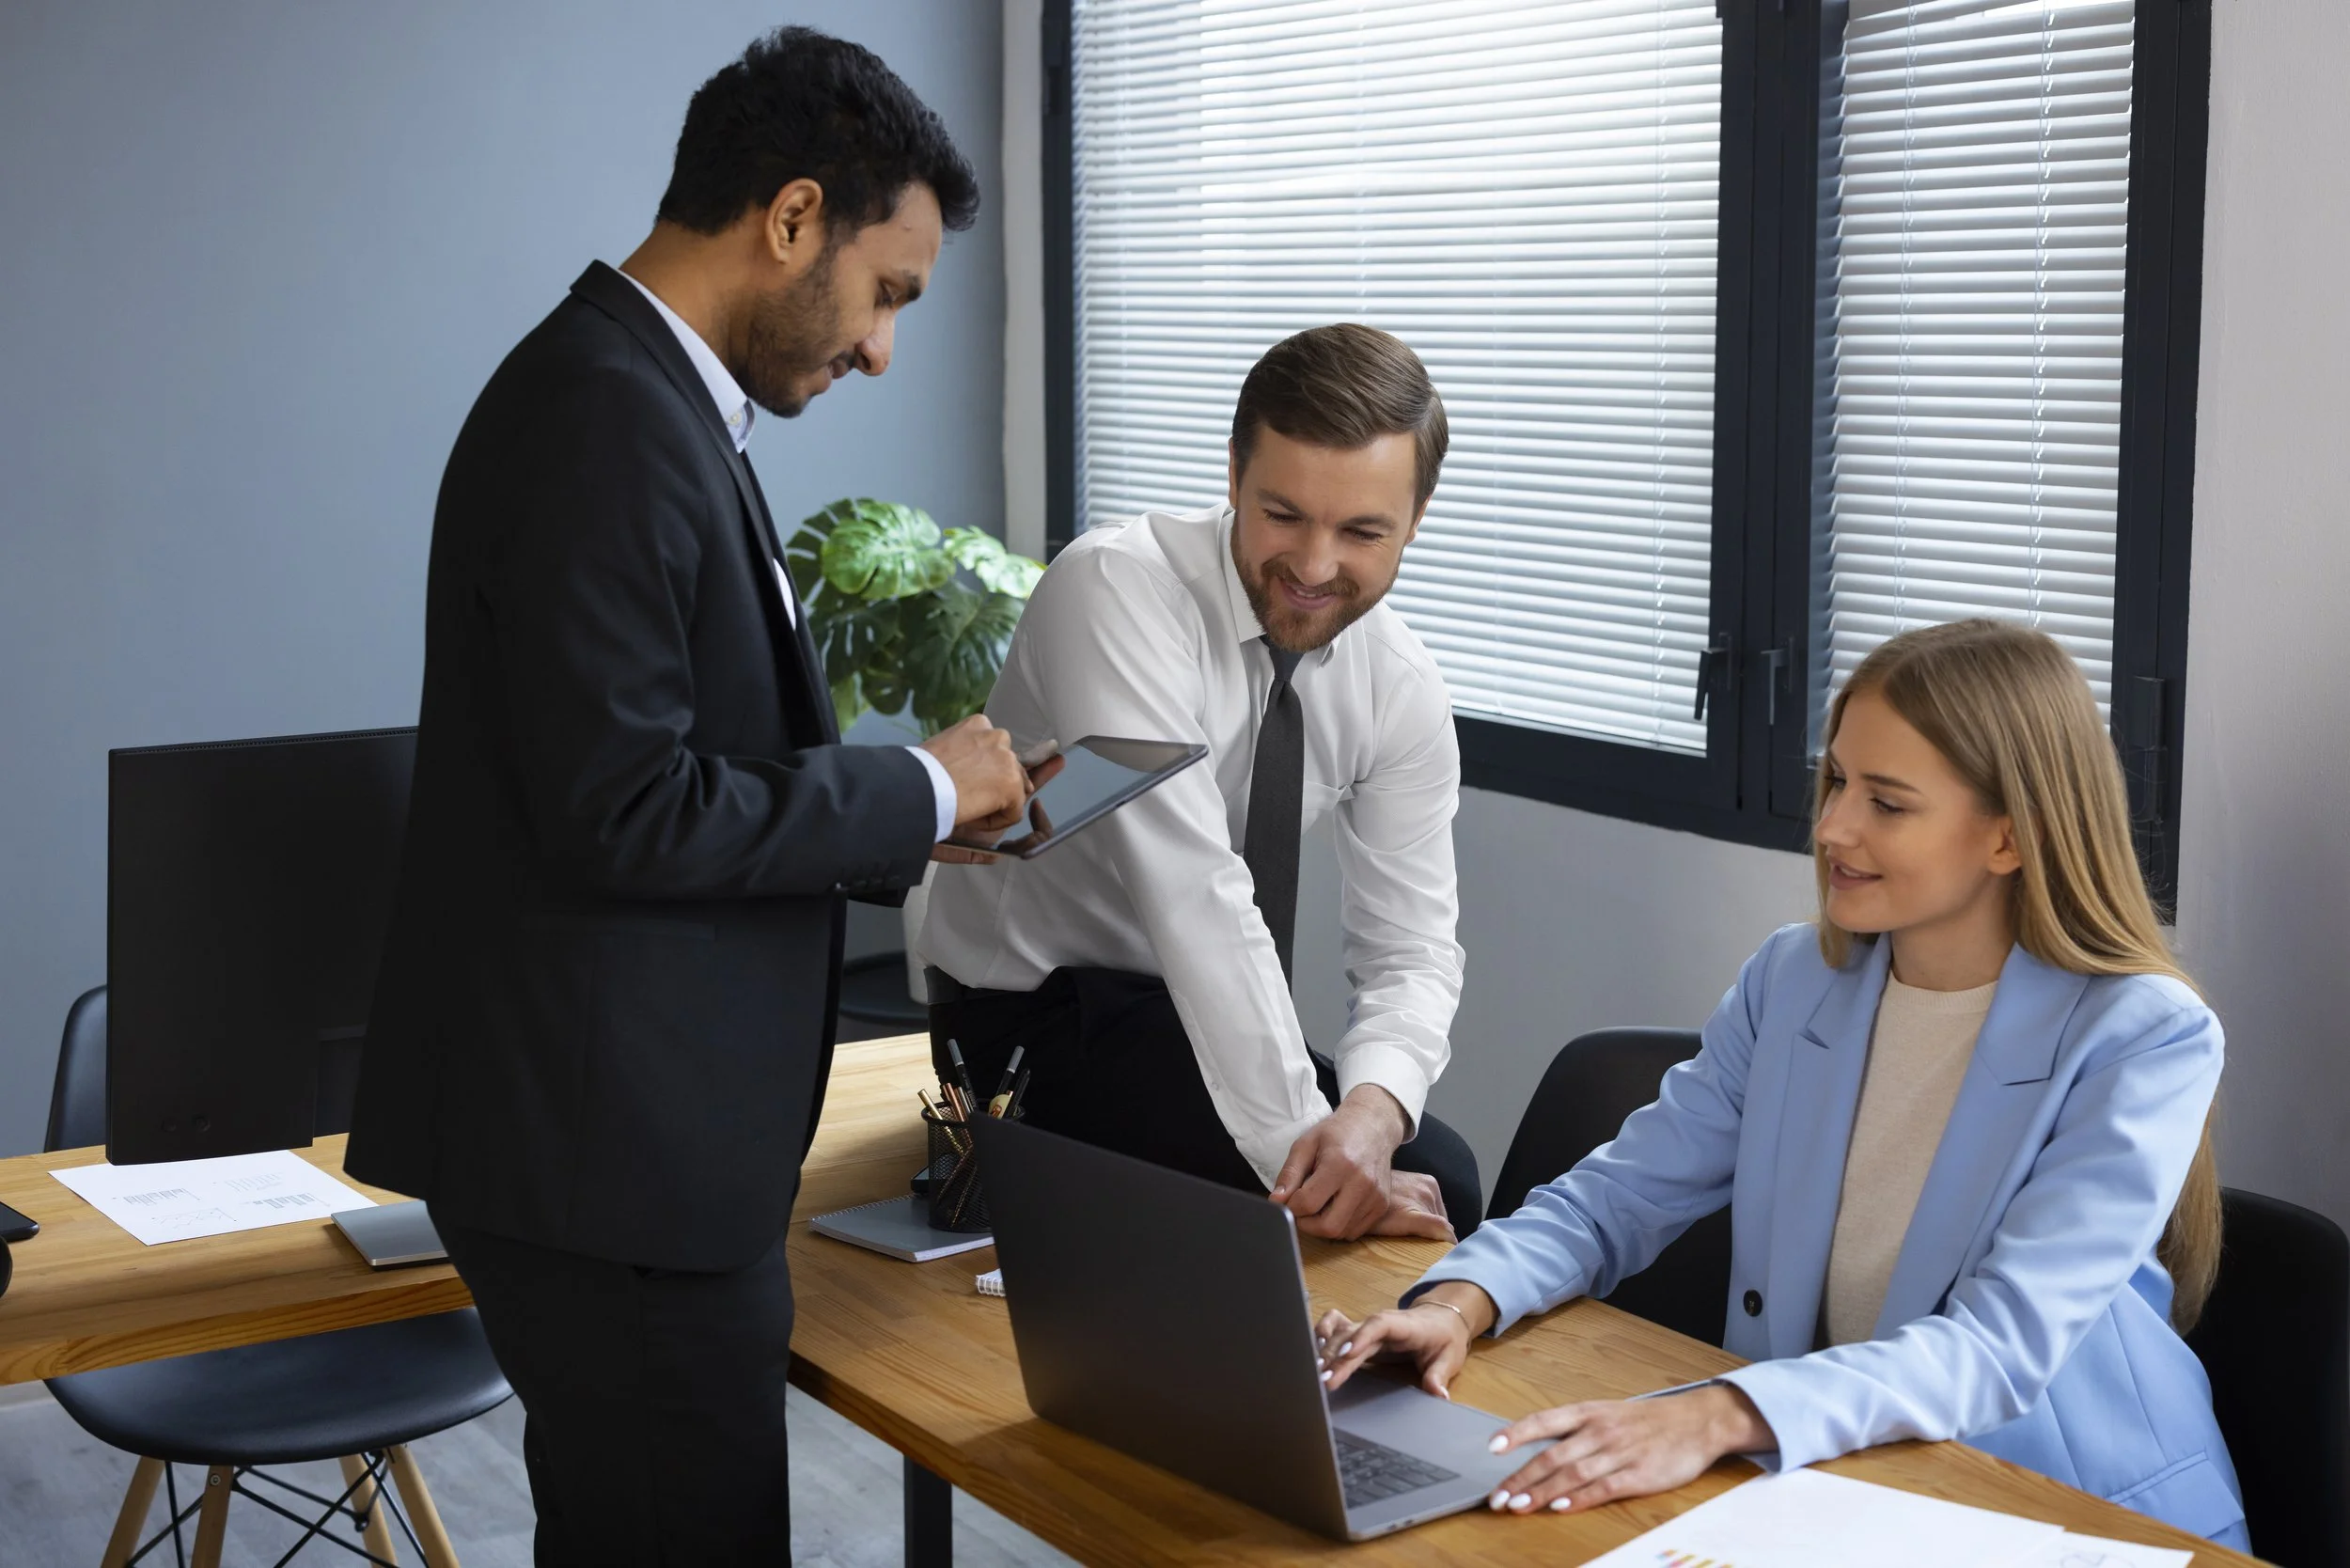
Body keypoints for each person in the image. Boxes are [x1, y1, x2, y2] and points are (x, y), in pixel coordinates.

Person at [344, 28, 1038, 1565]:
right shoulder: (602, 413)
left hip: (628, 1147)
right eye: (888, 294)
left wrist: (928, 809)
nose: (879, 353)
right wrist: (916, 788)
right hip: (611, 1164)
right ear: (792, 217)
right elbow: (625, 804)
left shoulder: (644, 397)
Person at [1317, 619, 2247, 1550]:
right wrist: (1453, 1303)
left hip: (2063, 1506)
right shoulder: (1796, 979)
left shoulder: (2142, 1037)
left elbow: (1996, 1347)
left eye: (1887, 802)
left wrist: (1712, 1414)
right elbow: (1615, 1197)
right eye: (1836, 779)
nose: (1833, 825)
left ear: (2007, 837)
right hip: (1845, 1473)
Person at [922, 322, 1482, 1243]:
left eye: (1360, 531)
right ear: (1232, 477)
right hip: (1029, 1014)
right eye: (1284, 514)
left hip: (1181, 1019)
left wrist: (1370, 1122)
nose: (1311, 566)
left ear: (1416, 520)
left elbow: (1411, 951)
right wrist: (1303, 1163)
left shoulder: (1399, 686)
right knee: (1343, 1204)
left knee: (1433, 1170)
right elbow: (1195, 895)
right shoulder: (1113, 590)